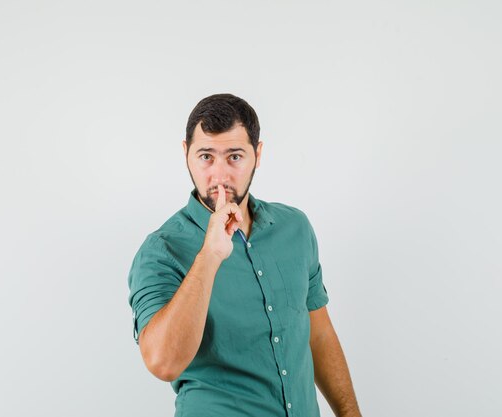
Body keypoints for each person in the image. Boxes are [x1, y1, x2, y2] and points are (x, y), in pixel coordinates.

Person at [127, 93, 362, 417]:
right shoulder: (162, 250)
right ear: (186, 154)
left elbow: (319, 334)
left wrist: (351, 413)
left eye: (234, 157)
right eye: (206, 157)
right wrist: (209, 255)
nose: (220, 175)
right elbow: (162, 363)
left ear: (258, 154)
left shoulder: (294, 228)